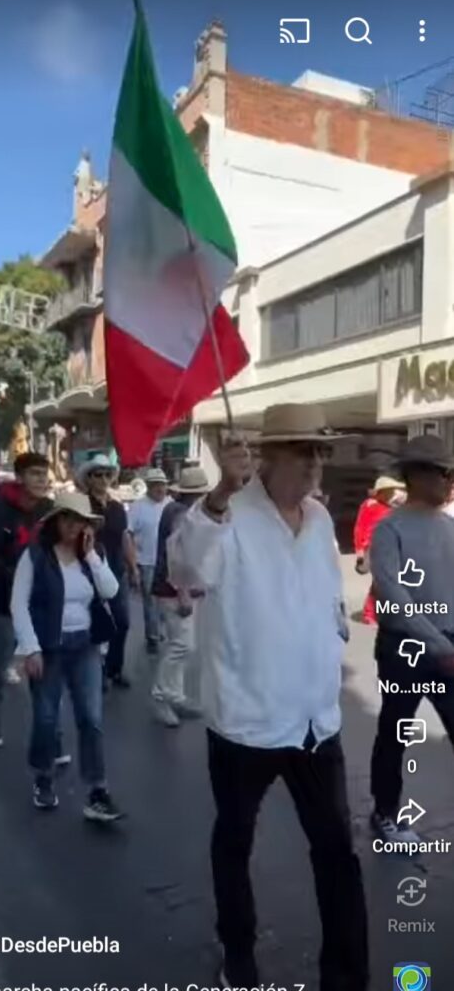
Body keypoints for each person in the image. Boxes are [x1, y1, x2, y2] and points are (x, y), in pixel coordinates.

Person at [168, 404, 368, 991]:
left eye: (320, 451)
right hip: (245, 722)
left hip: (315, 721)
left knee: (337, 851)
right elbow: (184, 569)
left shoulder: (320, 519)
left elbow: (328, 594)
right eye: (304, 450)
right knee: (234, 842)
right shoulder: (227, 517)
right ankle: (239, 952)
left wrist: (332, 633)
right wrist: (218, 496)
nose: (314, 464)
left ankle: (349, 974)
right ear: (268, 456)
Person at [11, 491, 122, 820]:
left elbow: (111, 591)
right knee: (46, 718)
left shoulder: (92, 554)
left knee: (91, 718)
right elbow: (19, 603)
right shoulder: (36, 556)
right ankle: (43, 776)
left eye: (82, 521)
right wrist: (30, 648)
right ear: (57, 520)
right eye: (69, 518)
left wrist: (91, 557)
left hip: (85, 645)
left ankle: (97, 789)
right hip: (49, 648)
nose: (75, 526)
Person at [370, 435, 454, 845]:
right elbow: (394, 597)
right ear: (417, 475)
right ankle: (385, 813)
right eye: (443, 473)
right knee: (395, 731)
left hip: (450, 646)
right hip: (405, 648)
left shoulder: (450, 527)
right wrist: (440, 646)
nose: (449, 481)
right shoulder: (390, 529)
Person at [0, 452, 52, 748]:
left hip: (42, 604)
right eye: (35, 474)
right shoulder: (0, 510)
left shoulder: (50, 510)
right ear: (19, 478)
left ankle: (49, 731)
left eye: (44, 474)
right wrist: (15, 576)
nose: (42, 480)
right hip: (6, 603)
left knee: (45, 667)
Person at [151, 465, 209, 727]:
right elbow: (177, 556)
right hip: (172, 589)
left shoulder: (181, 510)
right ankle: (162, 696)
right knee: (183, 645)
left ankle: (176, 696)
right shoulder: (181, 514)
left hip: (179, 588)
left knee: (182, 644)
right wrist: (183, 592)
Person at [77, 454, 139, 688]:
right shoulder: (82, 506)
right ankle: (96, 671)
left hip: (116, 571)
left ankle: (114, 668)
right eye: (98, 475)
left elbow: (125, 537)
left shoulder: (116, 507)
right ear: (89, 478)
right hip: (90, 572)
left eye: (107, 475)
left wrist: (133, 568)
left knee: (122, 622)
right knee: (95, 623)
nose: (103, 479)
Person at [127, 467, 170, 653]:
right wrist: (133, 566)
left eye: (163, 485)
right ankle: (152, 637)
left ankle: (161, 631)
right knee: (150, 602)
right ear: (150, 487)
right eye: (157, 485)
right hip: (146, 562)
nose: (161, 489)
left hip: (168, 562)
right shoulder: (138, 507)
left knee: (166, 602)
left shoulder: (170, 504)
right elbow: (127, 534)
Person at [353, 476, 406, 624]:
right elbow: (360, 527)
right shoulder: (370, 505)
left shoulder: (391, 507)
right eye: (390, 491)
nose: (393, 494)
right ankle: (370, 613)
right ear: (382, 491)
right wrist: (360, 551)